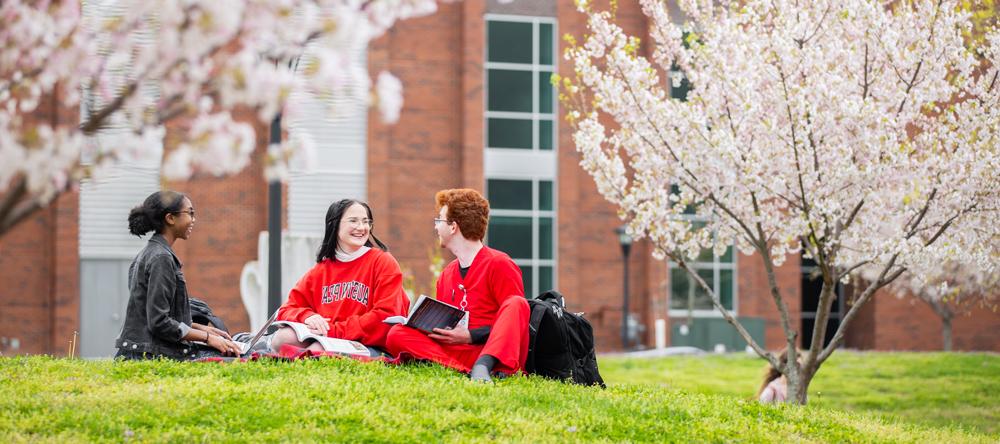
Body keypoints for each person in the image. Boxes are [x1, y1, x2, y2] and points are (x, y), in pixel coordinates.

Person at [385, 188, 530, 382]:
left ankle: (482, 368)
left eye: (439, 220)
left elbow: (515, 323)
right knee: (397, 333)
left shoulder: (500, 263)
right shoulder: (446, 275)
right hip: (456, 352)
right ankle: (463, 371)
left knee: (517, 304)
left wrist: (471, 335)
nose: (436, 227)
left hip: (492, 354)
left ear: (453, 227)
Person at [270, 199, 409, 355]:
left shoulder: (382, 261)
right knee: (282, 339)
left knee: (316, 352)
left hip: (370, 344)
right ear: (334, 225)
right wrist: (307, 316)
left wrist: (334, 331)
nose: (361, 227)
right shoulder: (320, 270)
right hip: (329, 337)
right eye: (353, 221)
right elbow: (286, 309)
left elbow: (386, 317)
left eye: (366, 222)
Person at [116, 190, 241, 360]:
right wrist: (208, 338)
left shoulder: (151, 253)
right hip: (149, 356)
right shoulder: (161, 258)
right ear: (170, 218)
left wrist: (203, 329)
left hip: (140, 352)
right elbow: (159, 322)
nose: (193, 219)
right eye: (190, 213)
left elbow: (155, 316)